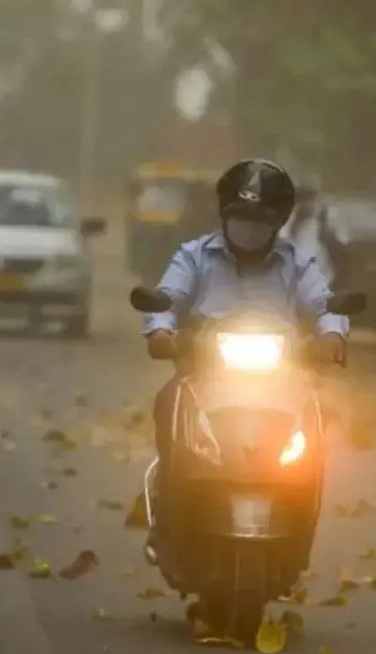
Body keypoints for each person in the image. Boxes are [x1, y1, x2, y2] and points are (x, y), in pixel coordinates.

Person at [141, 158, 349, 562]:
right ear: (224, 216)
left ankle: (299, 530)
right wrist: (161, 330)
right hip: (204, 378)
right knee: (167, 404)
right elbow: (167, 296)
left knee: (314, 435)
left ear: (278, 223)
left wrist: (332, 334)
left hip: (281, 384)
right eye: (241, 220)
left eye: (259, 223)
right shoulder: (194, 257)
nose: (249, 231)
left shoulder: (297, 265)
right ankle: (168, 514)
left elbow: (325, 303)